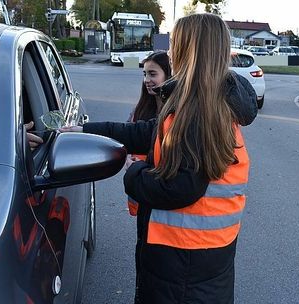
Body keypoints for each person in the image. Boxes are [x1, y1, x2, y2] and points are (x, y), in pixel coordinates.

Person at [61, 13, 257, 303]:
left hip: (182, 267)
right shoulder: (205, 102)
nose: (169, 51)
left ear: (187, 50)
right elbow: (148, 132)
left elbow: (179, 188)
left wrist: (134, 172)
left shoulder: (197, 114)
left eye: (174, 43)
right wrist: (85, 130)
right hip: (199, 261)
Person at [126, 51, 172, 216]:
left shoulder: (177, 114)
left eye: (153, 74)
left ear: (169, 75)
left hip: (163, 194)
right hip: (141, 192)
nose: (146, 80)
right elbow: (127, 139)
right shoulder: (139, 111)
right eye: (144, 74)